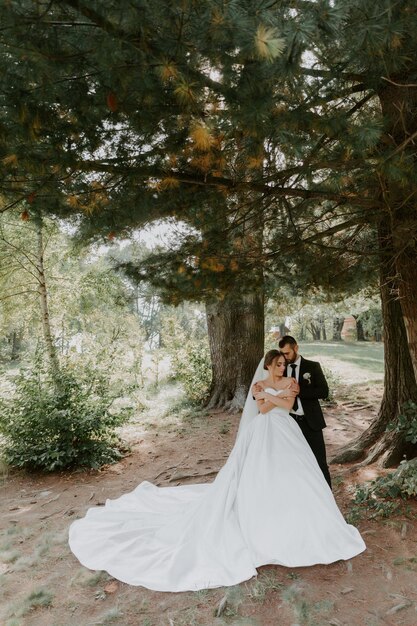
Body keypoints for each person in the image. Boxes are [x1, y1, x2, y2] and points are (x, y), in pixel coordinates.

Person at [69, 350, 365, 592]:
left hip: (286, 433)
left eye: (285, 365)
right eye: (278, 364)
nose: (283, 368)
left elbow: (286, 408)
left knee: (297, 477)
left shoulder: (284, 385)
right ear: (268, 365)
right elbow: (263, 410)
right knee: (258, 477)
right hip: (264, 433)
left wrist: (271, 395)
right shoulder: (264, 386)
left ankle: (304, 522)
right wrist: (274, 396)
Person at [277, 335, 332, 487]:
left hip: (311, 423)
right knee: (292, 462)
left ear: (296, 348)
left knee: (320, 462)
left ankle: (328, 498)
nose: (285, 357)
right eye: (282, 353)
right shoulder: (281, 369)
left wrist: (299, 391)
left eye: (287, 353)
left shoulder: (312, 366)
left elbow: (324, 392)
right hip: (289, 423)